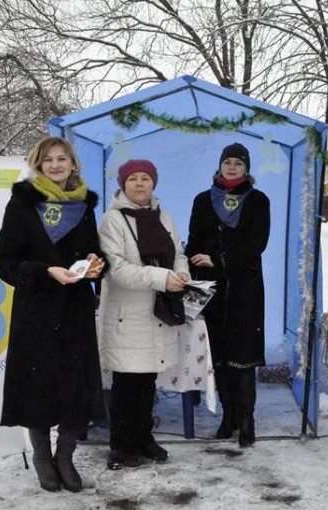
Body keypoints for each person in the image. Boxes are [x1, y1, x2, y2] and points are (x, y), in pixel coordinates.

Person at [0, 137, 106, 493]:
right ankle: (43, 457)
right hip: (36, 311)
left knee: (75, 386)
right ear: (38, 165)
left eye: (62, 159)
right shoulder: (22, 204)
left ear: (74, 164)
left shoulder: (85, 207)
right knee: (37, 386)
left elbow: (94, 251)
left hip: (74, 310)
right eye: (48, 160)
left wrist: (95, 264)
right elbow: (4, 262)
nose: (55, 165)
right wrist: (45, 271)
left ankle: (66, 456)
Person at [97, 159, 190, 469]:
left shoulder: (162, 216)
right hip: (127, 314)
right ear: (123, 185)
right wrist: (162, 278)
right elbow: (117, 270)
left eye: (145, 179)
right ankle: (120, 445)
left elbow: (178, 252)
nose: (139, 184)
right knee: (125, 384)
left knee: (148, 380)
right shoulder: (112, 220)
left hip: (156, 313)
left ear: (154, 183)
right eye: (133, 179)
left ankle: (144, 439)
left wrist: (181, 274)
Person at [185, 142, 270, 447]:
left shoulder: (258, 201)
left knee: (242, 357)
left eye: (239, 162)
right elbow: (194, 240)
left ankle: (247, 420)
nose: (232, 167)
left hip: (245, 289)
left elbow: (256, 244)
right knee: (219, 356)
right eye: (228, 162)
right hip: (210, 290)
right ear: (219, 166)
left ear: (247, 168)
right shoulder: (203, 200)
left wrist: (219, 260)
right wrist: (191, 271)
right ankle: (228, 415)